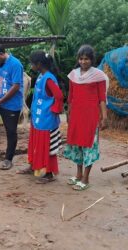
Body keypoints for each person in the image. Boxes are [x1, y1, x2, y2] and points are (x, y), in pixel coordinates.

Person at [63, 45, 108, 191]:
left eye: (86, 59)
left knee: (88, 146)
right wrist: (68, 115)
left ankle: (86, 179)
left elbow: (102, 98)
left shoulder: (99, 76)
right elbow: (70, 97)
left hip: (91, 116)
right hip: (76, 115)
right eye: (81, 59)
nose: (83, 62)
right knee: (77, 145)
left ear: (92, 60)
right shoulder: (73, 75)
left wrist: (104, 117)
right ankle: (78, 174)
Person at [17, 51, 64, 183]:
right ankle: (33, 166)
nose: (31, 66)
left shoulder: (48, 78)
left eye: (32, 63)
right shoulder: (40, 76)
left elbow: (59, 95)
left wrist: (55, 110)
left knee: (47, 146)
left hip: (46, 119)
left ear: (38, 64)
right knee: (36, 143)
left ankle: (49, 174)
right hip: (38, 117)